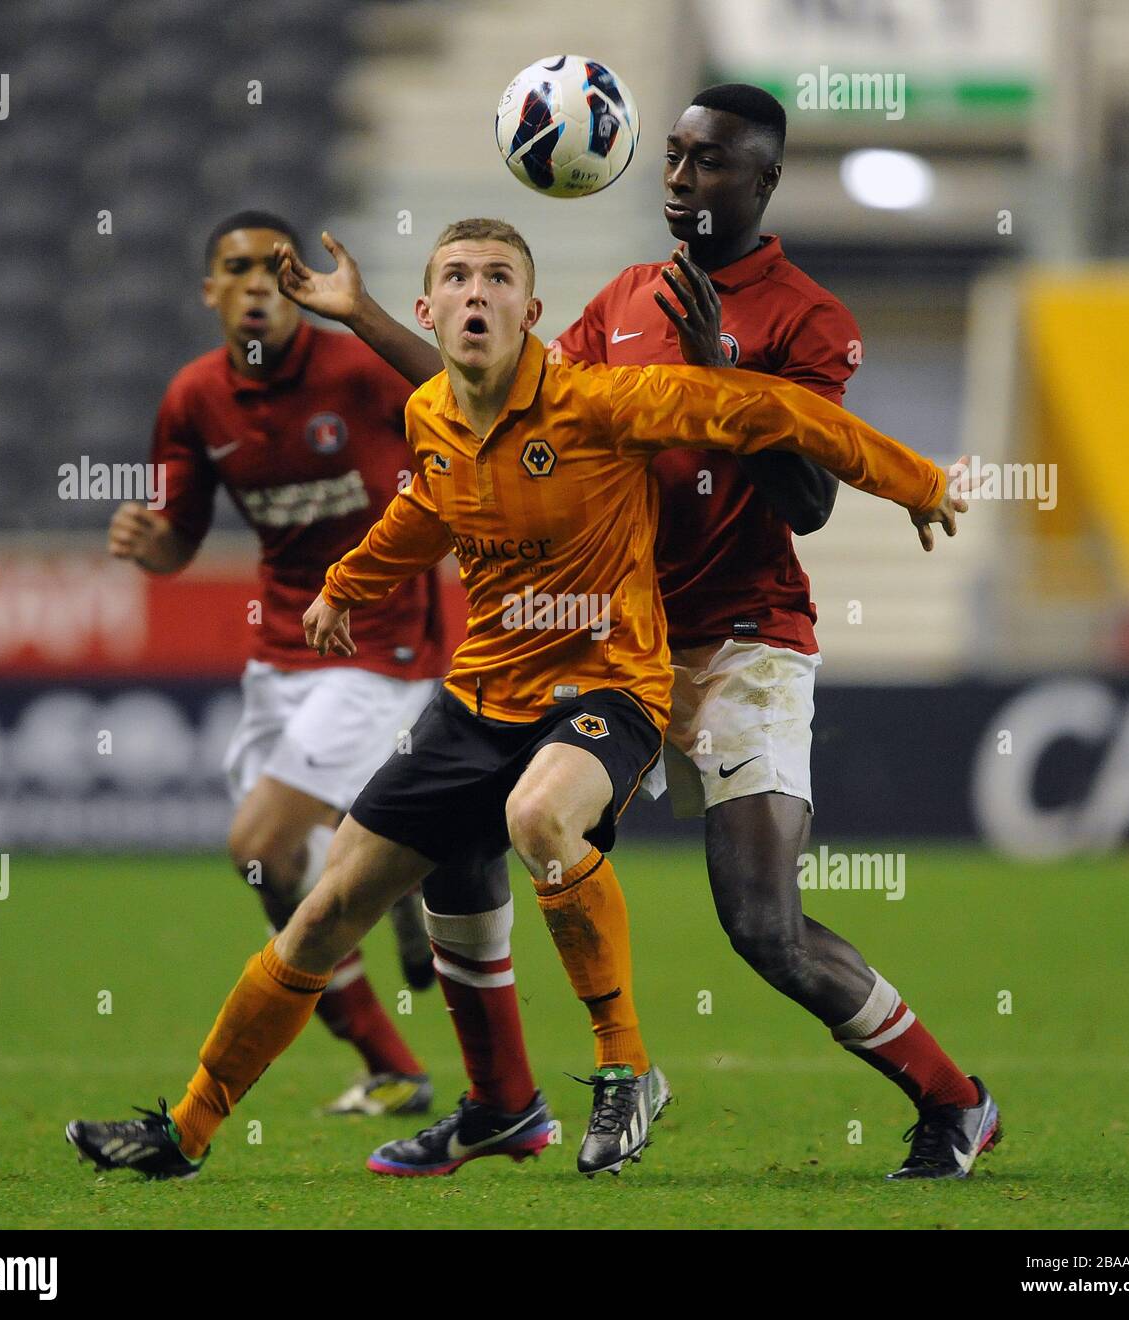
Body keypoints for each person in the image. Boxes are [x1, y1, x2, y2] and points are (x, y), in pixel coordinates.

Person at [67, 216, 969, 1183]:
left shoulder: (603, 403)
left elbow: (777, 414)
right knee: (327, 904)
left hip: (609, 687)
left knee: (539, 816)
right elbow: (425, 508)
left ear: (531, 312)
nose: (475, 292)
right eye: (455, 276)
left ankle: (626, 1070)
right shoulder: (429, 417)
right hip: (480, 695)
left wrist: (916, 481)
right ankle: (188, 1129)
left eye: (498, 277)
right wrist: (344, 587)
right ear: (430, 309)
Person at [269, 85, 1003, 1182]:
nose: (677, 177)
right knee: (469, 837)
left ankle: (953, 1099)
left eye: (708, 162)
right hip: (614, 649)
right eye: (670, 156)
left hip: (742, 640)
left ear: (761, 182)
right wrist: (369, 316)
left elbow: (805, 506)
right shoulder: (619, 300)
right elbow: (498, 405)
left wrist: (724, 373)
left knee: (761, 927)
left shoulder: (809, 319)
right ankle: (499, 1104)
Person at [107, 209, 459, 1119]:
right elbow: (177, 542)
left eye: (276, 266)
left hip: (386, 645)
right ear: (211, 291)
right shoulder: (193, 399)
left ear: (298, 282)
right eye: (238, 268)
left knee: (259, 843)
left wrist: (369, 315)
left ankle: (399, 892)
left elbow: (467, 396)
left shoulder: (357, 368)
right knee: (275, 872)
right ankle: (390, 1053)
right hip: (279, 653)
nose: (258, 282)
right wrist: (148, 544)